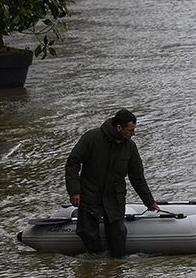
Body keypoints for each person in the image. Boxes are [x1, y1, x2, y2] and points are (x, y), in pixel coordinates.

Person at [65, 109, 160, 257]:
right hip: (90, 194)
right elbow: (72, 163)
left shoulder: (130, 147)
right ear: (119, 128)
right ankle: (96, 262)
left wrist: (149, 201)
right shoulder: (92, 138)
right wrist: (74, 191)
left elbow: (137, 177)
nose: (133, 133)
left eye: (134, 129)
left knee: (118, 235)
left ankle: (115, 270)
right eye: (130, 130)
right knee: (87, 232)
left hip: (114, 196)